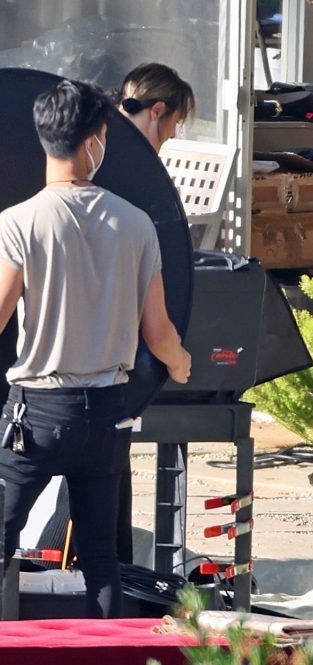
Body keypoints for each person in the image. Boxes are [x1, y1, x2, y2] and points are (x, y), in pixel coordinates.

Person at [0, 79, 191, 665]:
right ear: (93, 142)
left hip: (36, 416)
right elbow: (158, 333)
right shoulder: (134, 223)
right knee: (103, 563)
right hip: (107, 414)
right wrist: (181, 363)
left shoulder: (18, 223)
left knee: (0, 545)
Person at [111, 63, 195, 566]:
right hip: (113, 367)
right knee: (105, 492)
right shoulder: (137, 183)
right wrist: (177, 357)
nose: (171, 138)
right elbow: (153, 310)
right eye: (174, 125)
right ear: (158, 111)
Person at [117, 62, 195, 153]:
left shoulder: (105, 143)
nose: (173, 134)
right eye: (176, 122)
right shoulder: (139, 159)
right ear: (157, 111)